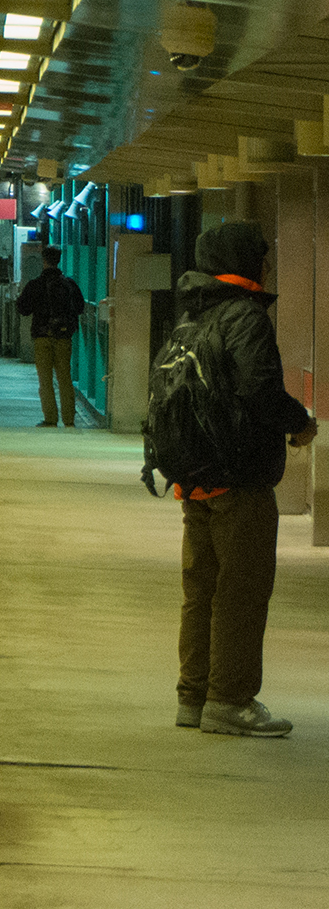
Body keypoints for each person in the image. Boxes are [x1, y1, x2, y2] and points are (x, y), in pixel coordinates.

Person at [167, 220, 317, 736]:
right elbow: (258, 387)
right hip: (239, 478)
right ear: (245, 262)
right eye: (264, 257)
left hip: (195, 477)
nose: (269, 265)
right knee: (242, 592)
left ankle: (194, 696)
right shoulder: (245, 317)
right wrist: (300, 424)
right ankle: (230, 701)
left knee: (201, 591)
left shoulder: (190, 316)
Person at [15, 245, 86, 427]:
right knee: (65, 378)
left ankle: (50, 418)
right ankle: (69, 420)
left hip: (42, 337)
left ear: (44, 261)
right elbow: (80, 308)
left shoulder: (35, 285)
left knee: (45, 380)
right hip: (63, 338)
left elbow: (23, 309)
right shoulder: (69, 285)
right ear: (59, 260)